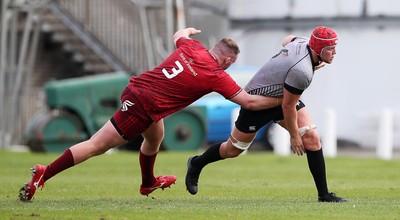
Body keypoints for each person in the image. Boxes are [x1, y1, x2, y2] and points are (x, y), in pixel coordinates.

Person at [19, 27, 282, 201]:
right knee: (96, 145)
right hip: (143, 105)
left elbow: (179, 34)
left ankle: (148, 183)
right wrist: (283, 97)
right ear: (227, 61)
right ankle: (45, 172)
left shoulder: (193, 47)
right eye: (231, 63)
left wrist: (188, 30)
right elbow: (248, 101)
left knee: (156, 136)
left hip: (137, 92)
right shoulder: (215, 75)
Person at [185, 26, 348, 202]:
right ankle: (196, 163)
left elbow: (287, 39)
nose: (334, 53)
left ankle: (323, 195)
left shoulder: (303, 42)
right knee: (232, 150)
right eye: (330, 49)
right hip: (259, 101)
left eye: (334, 48)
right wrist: (294, 136)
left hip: (283, 96)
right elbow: (288, 106)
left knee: (312, 138)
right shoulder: (303, 72)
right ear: (318, 49)